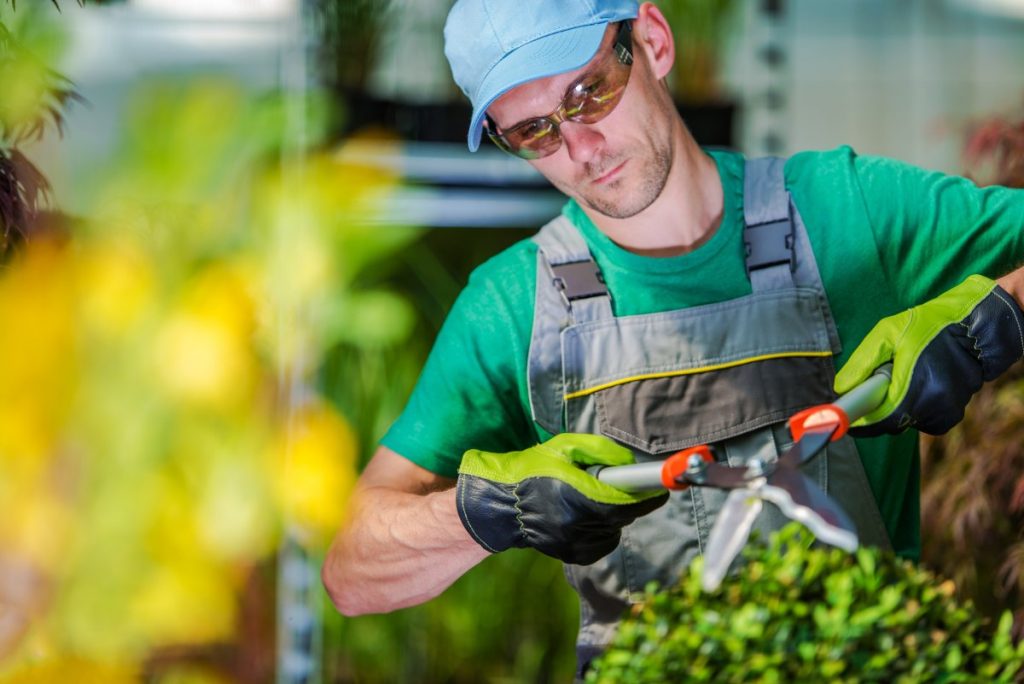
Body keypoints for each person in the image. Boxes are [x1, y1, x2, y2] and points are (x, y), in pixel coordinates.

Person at [323, 0, 1024, 675]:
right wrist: (488, 511)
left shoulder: (847, 211)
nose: (581, 147)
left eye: (589, 92)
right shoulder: (511, 308)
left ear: (653, 41)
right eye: (535, 132)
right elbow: (351, 573)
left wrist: (991, 320)